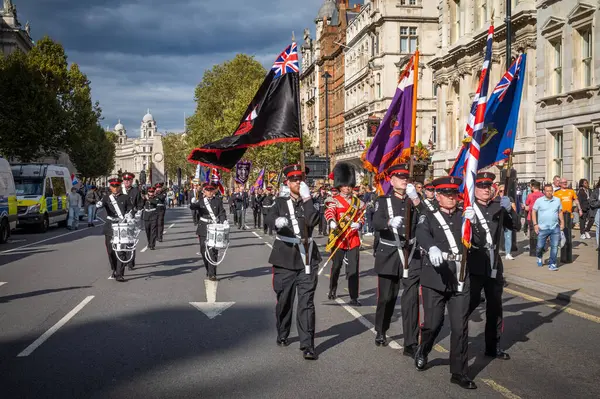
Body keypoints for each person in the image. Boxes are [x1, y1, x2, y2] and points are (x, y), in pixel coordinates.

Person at [414, 176, 476, 390]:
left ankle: (459, 372)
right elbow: (421, 233)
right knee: (434, 323)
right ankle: (424, 348)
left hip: (460, 275)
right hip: (436, 277)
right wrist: (430, 247)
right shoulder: (428, 216)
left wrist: (474, 223)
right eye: (447, 194)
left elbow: (478, 243)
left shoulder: (464, 216)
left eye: (454, 194)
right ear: (438, 196)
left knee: (460, 327)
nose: (451, 198)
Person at [266, 164, 321, 360]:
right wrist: (276, 223)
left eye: (301, 179)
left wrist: (307, 198)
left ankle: (308, 344)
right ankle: (283, 331)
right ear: (287, 183)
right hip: (285, 257)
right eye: (294, 180)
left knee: (306, 302)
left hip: (307, 257)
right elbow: (269, 218)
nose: (298, 182)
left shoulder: (311, 201)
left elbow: (314, 220)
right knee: (284, 301)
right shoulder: (280, 202)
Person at [463, 172, 519, 361]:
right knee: (468, 305)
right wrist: (465, 219)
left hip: (494, 263)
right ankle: (460, 343)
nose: (486, 190)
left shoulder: (498, 206)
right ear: (474, 188)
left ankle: (493, 346)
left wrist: (510, 210)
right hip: (475, 263)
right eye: (482, 186)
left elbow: (516, 226)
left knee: (495, 307)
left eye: (489, 186)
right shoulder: (467, 207)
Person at [371, 164, 421, 355]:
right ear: (391, 181)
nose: (404, 180)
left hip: (411, 254)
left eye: (406, 177)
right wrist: (388, 222)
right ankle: (381, 330)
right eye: (400, 177)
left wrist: (416, 198)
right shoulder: (383, 201)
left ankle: (410, 342)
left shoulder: (414, 201)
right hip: (390, 254)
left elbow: (427, 217)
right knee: (387, 297)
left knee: (411, 300)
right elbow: (375, 222)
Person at [324, 162, 365, 306]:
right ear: (340, 186)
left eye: (349, 185)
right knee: (336, 266)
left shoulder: (357, 202)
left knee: (353, 269)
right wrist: (331, 222)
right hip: (339, 237)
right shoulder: (334, 200)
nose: (348, 188)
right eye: (345, 185)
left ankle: (354, 297)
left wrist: (359, 224)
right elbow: (329, 212)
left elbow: (362, 216)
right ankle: (332, 289)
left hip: (352, 239)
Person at [96, 178, 134, 282]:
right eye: (113, 186)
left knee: (120, 250)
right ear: (110, 187)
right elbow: (100, 205)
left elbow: (130, 209)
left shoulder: (125, 197)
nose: (115, 188)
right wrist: (98, 205)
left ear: (119, 187)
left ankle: (119, 274)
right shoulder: (106, 198)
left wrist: (128, 215)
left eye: (117, 186)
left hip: (121, 226)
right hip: (110, 226)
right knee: (110, 250)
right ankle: (114, 269)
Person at [190, 182, 227, 281]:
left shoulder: (218, 201)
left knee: (213, 251)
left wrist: (224, 221)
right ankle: (208, 268)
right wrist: (193, 202)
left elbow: (222, 212)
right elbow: (193, 207)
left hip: (214, 227)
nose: (209, 192)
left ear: (213, 191)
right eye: (207, 190)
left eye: (211, 190)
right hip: (203, 228)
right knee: (203, 250)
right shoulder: (201, 201)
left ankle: (212, 274)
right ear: (204, 192)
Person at [532, 184, 564, 271]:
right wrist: (535, 224)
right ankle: (539, 256)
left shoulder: (557, 200)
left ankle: (552, 263)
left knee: (554, 246)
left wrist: (562, 223)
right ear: (544, 191)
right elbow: (534, 211)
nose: (549, 192)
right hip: (542, 228)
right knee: (539, 246)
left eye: (550, 190)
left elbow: (560, 212)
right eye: (547, 191)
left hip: (554, 227)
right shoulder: (539, 201)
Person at [122, 172, 143, 269]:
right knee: (121, 241)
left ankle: (130, 261)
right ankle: (122, 260)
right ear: (123, 181)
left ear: (131, 181)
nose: (127, 182)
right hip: (121, 219)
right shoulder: (119, 190)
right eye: (125, 180)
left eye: (129, 180)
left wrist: (138, 213)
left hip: (131, 219)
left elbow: (140, 204)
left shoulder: (135, 191)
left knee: (130, 240)